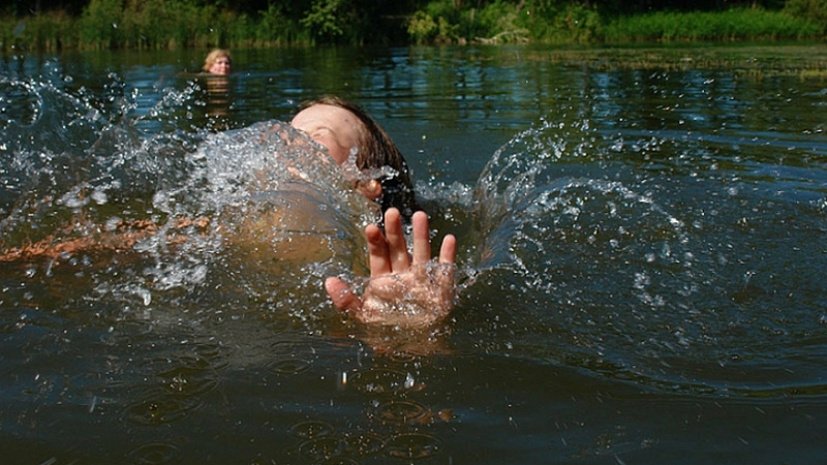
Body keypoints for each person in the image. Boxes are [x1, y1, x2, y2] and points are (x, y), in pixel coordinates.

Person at [0, 96, 458, 328]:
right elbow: (86, 249)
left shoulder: (387, 270)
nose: (284, 143)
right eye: (284, 133)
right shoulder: (220, 226)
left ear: (366, 187)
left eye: (313, 137)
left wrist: (403, 331)